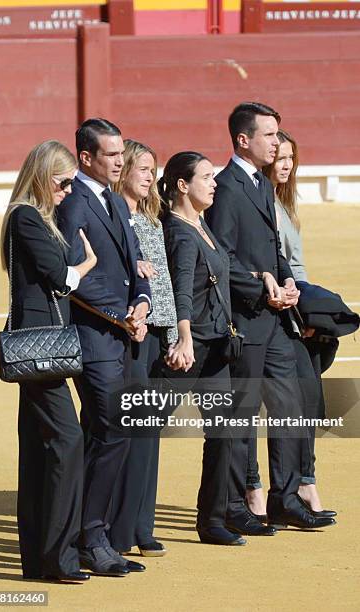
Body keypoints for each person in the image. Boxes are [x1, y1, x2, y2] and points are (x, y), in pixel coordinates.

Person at [205, 102, 336, 530]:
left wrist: (287, 282)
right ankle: (242, 503)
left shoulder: (259, 185)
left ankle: (286, 497)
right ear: (244, 140)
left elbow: (272, 249)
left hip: (276, 316)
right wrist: (260, 286)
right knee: (242, 415)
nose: (277, 142)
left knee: (291, 403)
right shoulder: (225, 188)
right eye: (270, 135)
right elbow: (220, 257)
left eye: (278, 135)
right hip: (245, 319)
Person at [56, 118, 151, 576]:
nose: (120, 161)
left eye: (121, 153)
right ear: (87, 158)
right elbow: (77, 276)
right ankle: (92, 537)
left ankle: (87, 534)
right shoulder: (73, 203)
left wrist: (143, 303)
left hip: (121, 333)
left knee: (105, 432)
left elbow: (135, 263)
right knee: (112, 429)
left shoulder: (113, 200)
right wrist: (122, 314)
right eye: (112, 155)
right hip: (93, 338)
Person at [0, 140, 97, 582]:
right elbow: (61, 278)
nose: (67, 190)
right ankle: (58, 557)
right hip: (41, 348)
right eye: (62, 182)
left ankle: (40, 558)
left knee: (40, 450)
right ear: (42, 176)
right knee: (66, 441)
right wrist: (87, 263)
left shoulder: (34, 217)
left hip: (38, 345)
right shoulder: (26, 216)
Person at [159, 151, 247, 547]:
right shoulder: (179, 231)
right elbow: (181, 288)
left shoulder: (201, 224)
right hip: (190, 351)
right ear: (182, 184)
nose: (214, 183)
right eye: (207, 177)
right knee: (137, 428)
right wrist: (184, 336)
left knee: (224, 433)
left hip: (215, 350)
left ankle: (212, 520)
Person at [109, 139, 177, 556]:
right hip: (128, 331)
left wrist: (171, 333)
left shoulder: (152, 219)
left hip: (155, 333)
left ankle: (141, 525)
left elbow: (166, 282)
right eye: (144, 168)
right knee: (128, 428)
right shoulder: (115, 219)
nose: (151, 176)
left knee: (149, 431)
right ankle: (120, 527)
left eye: (154, 170)